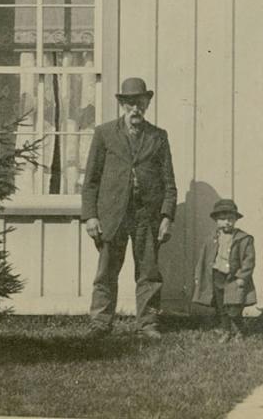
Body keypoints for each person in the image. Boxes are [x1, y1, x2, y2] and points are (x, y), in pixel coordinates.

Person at [80, 76, 178, 338]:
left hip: (147, 216)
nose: (135, 109)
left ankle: (147, 323)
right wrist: (90, 216)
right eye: (130, 104)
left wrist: (167, 215)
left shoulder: (158, 137)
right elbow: (90, 180)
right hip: (113, 215)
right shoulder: (104, 133)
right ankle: (100, 323)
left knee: (148, 272)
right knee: (106, 271)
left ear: (146, 104)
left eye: (140, 103)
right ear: (122, 105)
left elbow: (169, 182)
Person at [192, 198, 257, 339]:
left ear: (235, 220)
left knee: (234, 307)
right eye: (223, 219)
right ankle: (226, 331)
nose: (227, 222)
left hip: (233, 278)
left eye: (231, 218)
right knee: (221, 307)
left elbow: (249, 260)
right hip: (217, 276)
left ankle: (240, 331)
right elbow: (203, 259)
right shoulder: (212, 239)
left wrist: (242, 277)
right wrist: (198, 275)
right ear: (216, 220)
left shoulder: (243, 239)